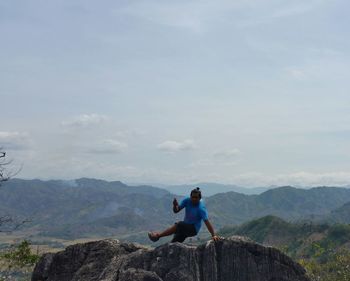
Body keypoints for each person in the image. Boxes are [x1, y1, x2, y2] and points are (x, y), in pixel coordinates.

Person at [148, 187, 220, 243]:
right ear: (190, 196)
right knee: (173, 244)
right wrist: (175, 205)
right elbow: (176, 211)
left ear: (199, 198)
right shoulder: (187, 200)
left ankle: (157, 236)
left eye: (196, 197)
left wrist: (213, 235)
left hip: (193, 229)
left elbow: (207, 222)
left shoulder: (201, 209)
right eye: (193, 197)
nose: (194, 199)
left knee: (179, 224)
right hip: (185, 227)